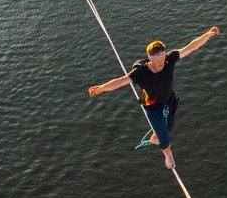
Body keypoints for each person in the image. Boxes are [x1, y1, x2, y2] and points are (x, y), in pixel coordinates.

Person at [88, 27, 219, 170]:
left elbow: (192, 46)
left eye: (162, 57)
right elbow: (120, 81)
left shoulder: (170, 59)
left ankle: (155, 137)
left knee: (169, 126)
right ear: (150, 58)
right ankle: (168, 154)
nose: (161, 62)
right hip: (153, 107)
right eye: (157, 59)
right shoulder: (141, 72)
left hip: (169, 101)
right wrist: (101, 88)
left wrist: (208, 34)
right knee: (165, 138)